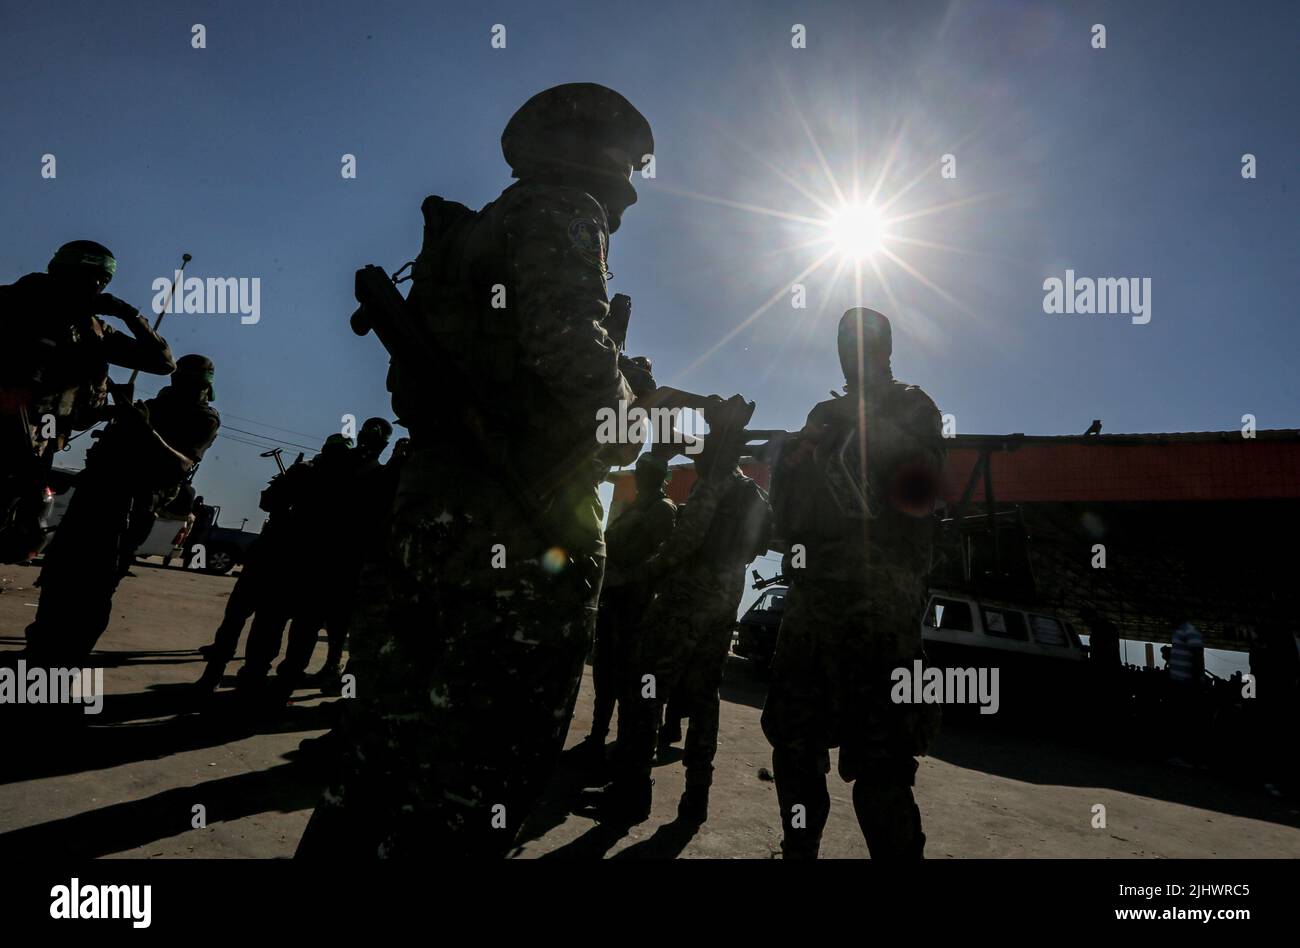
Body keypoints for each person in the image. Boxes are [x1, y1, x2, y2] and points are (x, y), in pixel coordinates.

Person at [296, 83, 658, 858]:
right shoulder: (564, 208)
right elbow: (573, 355)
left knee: (380, 755)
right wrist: (631, 411)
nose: (631, 185)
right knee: (483, 769)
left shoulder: (472, 234)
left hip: (430, 511)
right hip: (521, 524)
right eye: (630, 163)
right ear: (598, 154)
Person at [760, 308, 945, 859]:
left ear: (885, 348)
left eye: (862, 343)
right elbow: (787, 521)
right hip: (814, 599)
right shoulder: (824, 410)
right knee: (795, 742)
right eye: (844, 343)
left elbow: (924, 486)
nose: (852, 353)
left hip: (881, 606)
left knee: (882, 757)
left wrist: (868, 431)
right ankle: (799, 848)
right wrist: (793, 460)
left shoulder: (914, 404)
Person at [591, 399, 772, 824]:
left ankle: (631, 794)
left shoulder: (715, 484)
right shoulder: (750, 490)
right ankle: (696, 799)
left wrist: (646, 571)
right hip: (726, 599)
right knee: (705, 698)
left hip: (687, 599)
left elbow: (685, 542)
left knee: (647, 690)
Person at [25, 354, 219, 666]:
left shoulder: (203, 418)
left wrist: (145, 430)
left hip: (131, 507)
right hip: (94, 495)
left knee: (95, 591)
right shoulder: (151, 406)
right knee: (59, 576)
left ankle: (68, 659)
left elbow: (183, 464)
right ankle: (38, 649)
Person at [0, 240, 174, 562]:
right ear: (59, 273)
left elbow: (163, 363)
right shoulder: (11, 302)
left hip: (39, 442)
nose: (93, 286)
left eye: (100, 281)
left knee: (25, 522)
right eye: (85, 277)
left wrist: (128, 313)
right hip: (13, 433)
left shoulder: (93, 330)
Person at [567, 452, 676, 768]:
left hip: (636, 605)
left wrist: (626, 577)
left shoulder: (662, 510)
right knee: (605, 671)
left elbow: (660, 561)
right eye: (640, 471)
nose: (641, 477)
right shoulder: (637, 508)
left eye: (646, 472)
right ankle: (597, 738)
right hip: (615, 599)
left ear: (657, 477)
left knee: (630, 680)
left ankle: (626, 750)